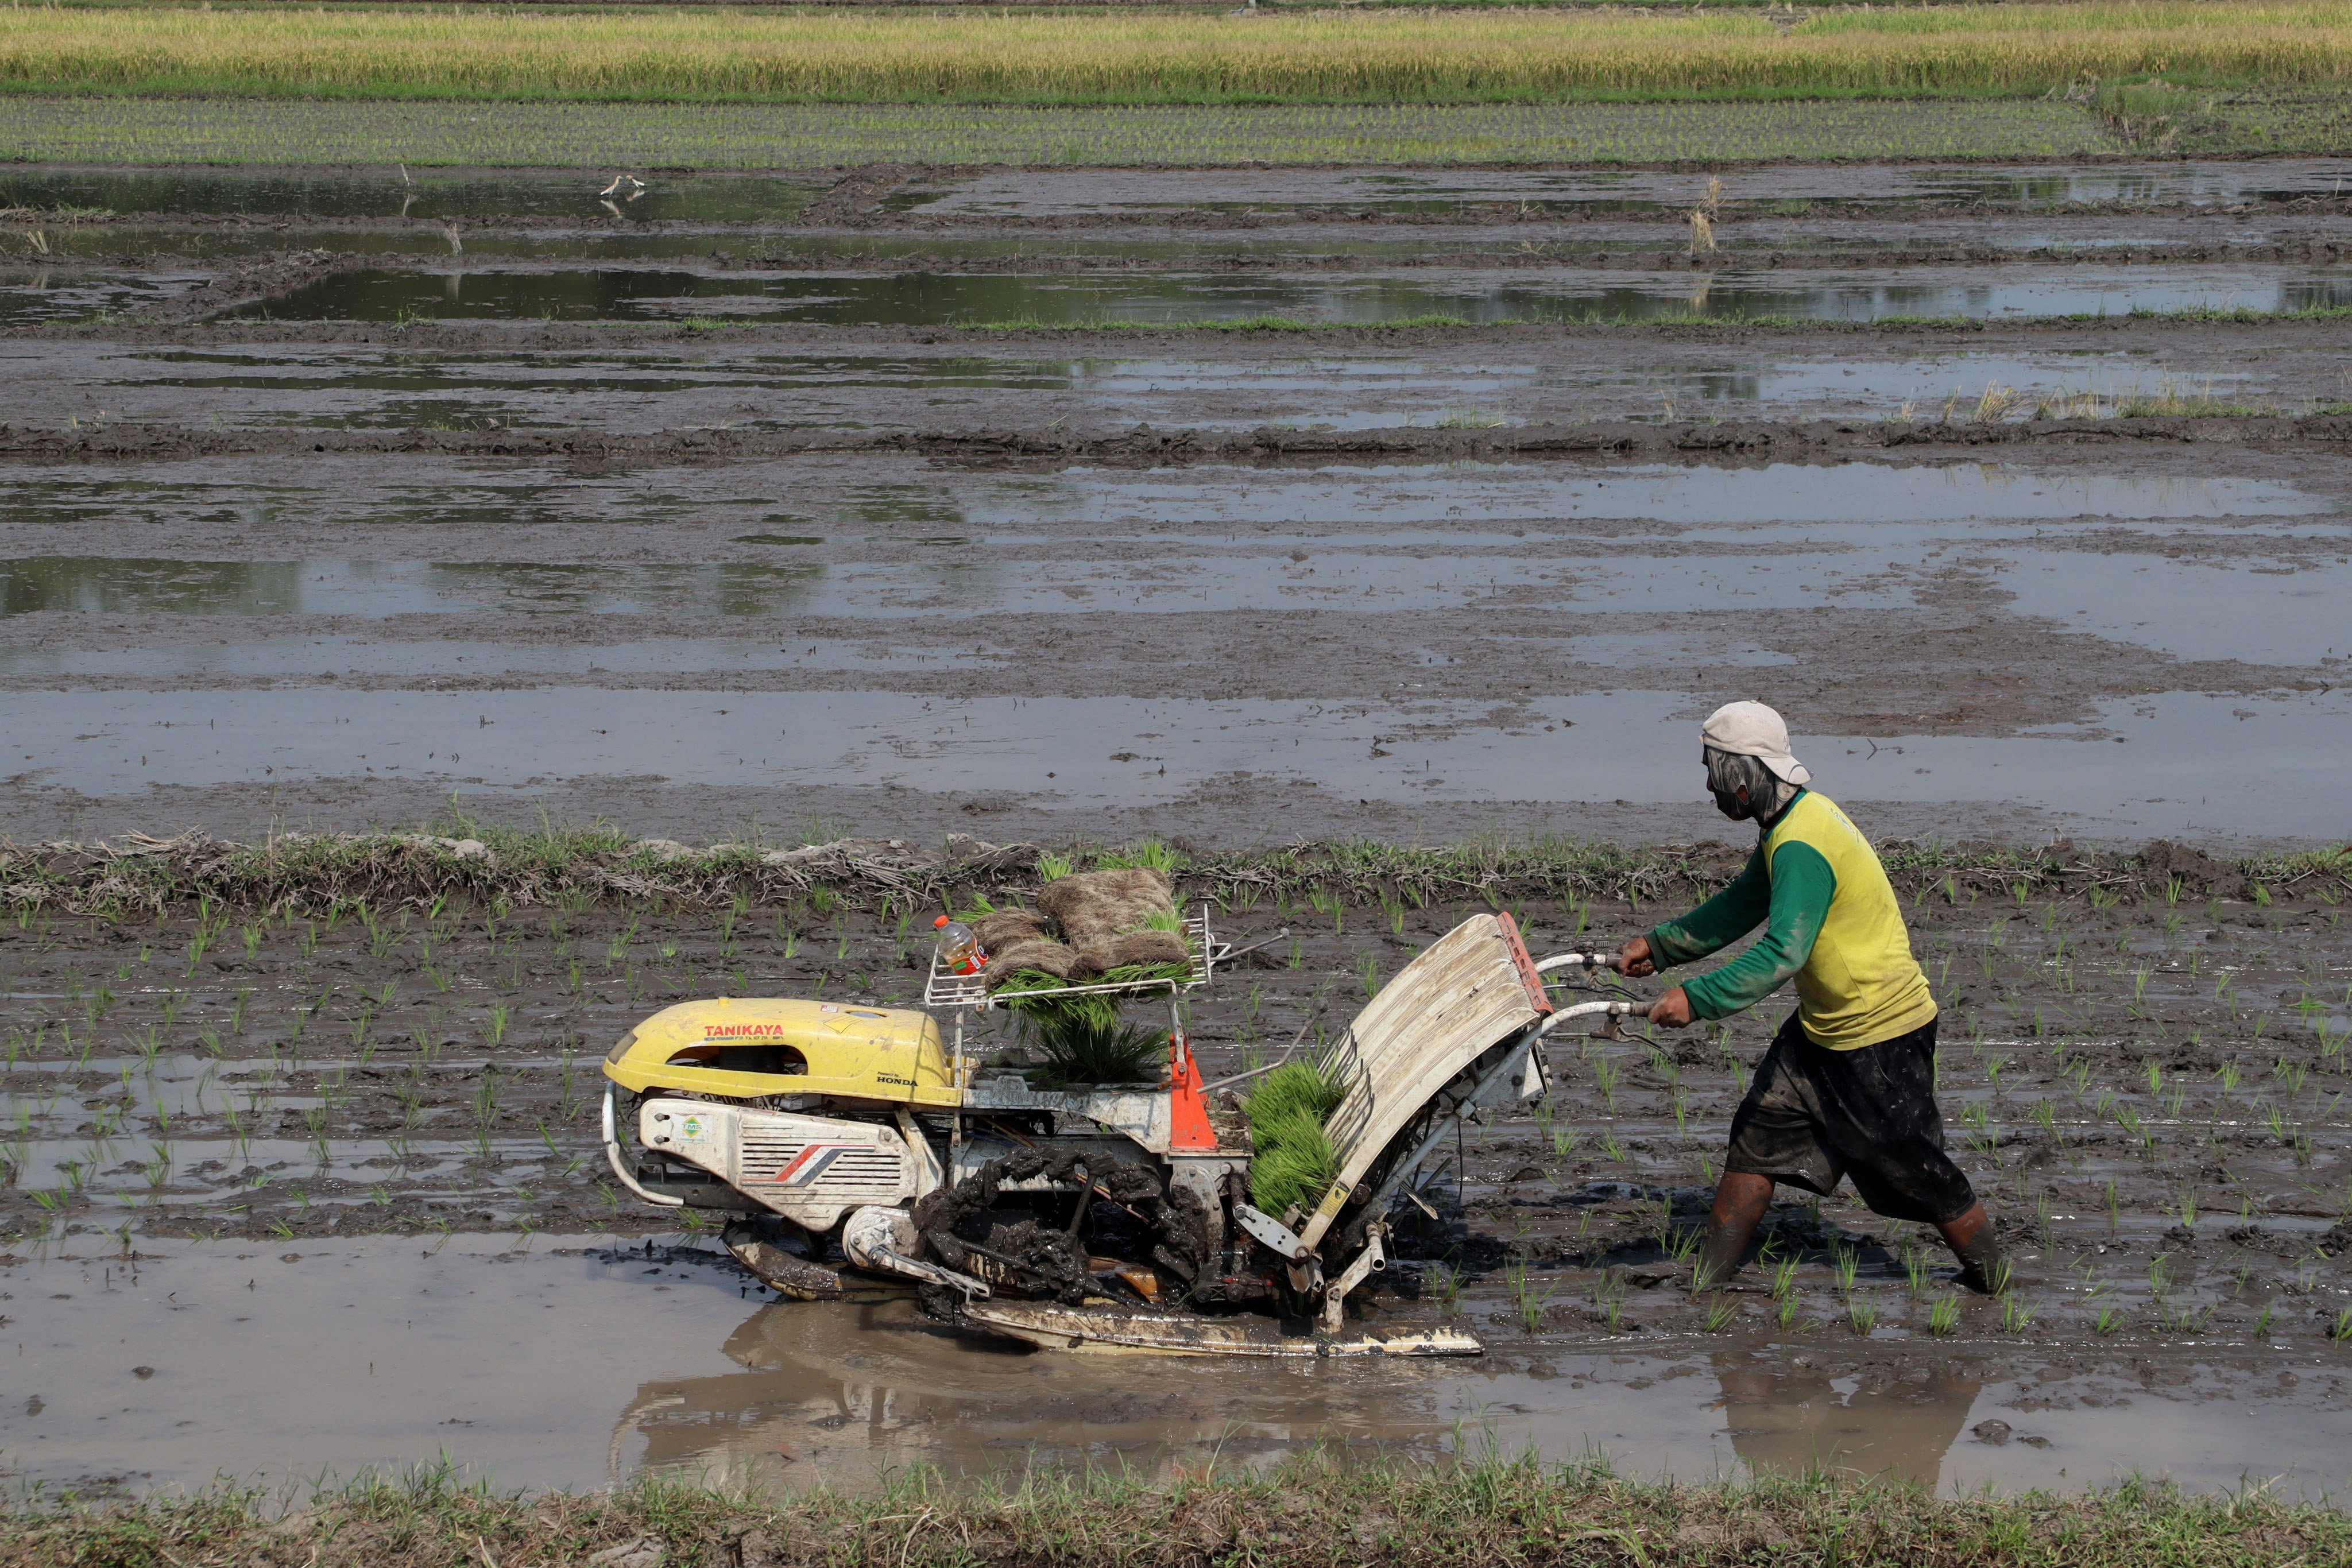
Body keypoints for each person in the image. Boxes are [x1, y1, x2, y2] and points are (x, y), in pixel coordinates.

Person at [1614, 700, 2004, 1294]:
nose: (1707, 785)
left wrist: (1696, 1000)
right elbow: (1743, 903)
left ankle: (1995, 1280)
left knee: (1917, 1171)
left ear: (1740, 778)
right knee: (1757, 1137)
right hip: (1825, 1026)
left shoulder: (1801, 842)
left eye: (1710, 771)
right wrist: (1661, 945)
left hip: (1877, 1032)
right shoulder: (1790, 824)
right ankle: (1706, 1284)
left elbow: (1782, 954)